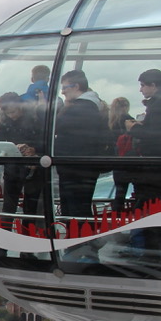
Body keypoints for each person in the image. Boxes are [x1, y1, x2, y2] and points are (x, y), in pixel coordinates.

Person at [53, 69, 110, 218]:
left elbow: (56, 126)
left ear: (76, 86)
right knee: (81, 205)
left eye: (65, 87)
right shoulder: (92, 107)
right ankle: (84, 237)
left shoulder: (80, 109)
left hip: (74, 168)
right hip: (83, 167)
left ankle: (78, 239)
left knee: (74, 208)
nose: (63, 92)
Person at [125, 68, 161, 207]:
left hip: (156, 167)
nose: (141, 90)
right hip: (160, 165)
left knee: (150, 208)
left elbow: (155, 135)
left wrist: (133, 128)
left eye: (143, 85)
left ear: (153, 85)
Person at [0, 92, 44, 222]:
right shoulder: (5, 122)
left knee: (30, 207)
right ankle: (7, 236)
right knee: (9, 206)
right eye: (8, 113)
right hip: (13, 168)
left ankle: (28, 234)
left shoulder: (35, 119)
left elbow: (45, 141)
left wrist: (33, 149)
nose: (12, 116)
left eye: (13, 112)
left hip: (32, 167)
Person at [109, 96, 135, 210]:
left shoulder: (111, 122)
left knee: (119, 193)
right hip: (129, 159)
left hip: (117, 160)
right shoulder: (128, 120)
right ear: (125, 107)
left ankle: (116, 217)